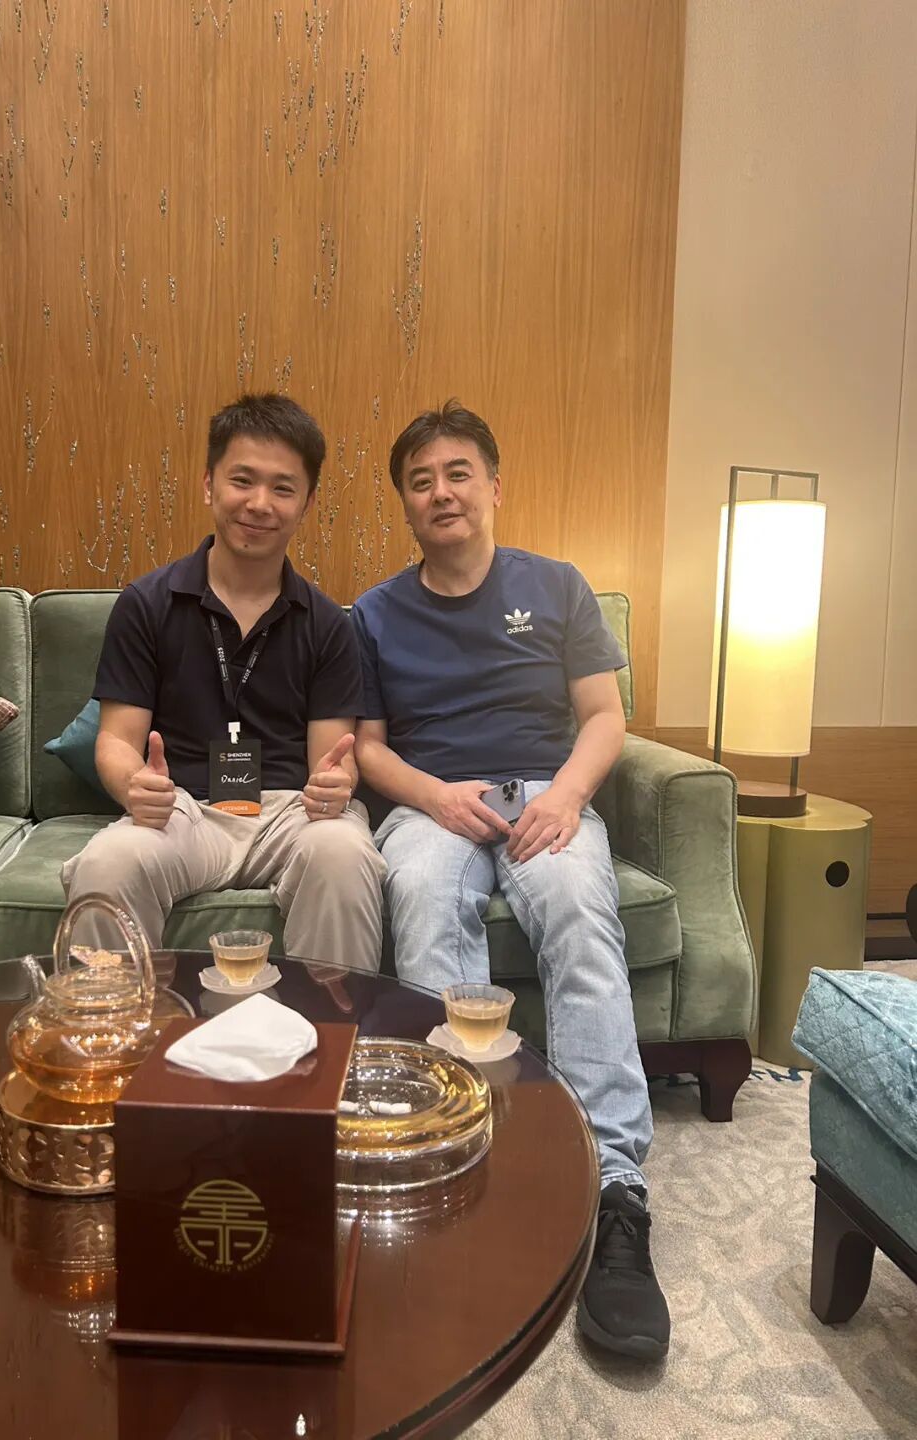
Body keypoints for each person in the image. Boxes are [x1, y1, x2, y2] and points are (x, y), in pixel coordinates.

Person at [351, 400, 670, 1359]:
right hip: (433, 801)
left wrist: (567, 797)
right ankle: (455, 1159)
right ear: (405, 503)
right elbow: (368, 748)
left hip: (543, 792)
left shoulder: (557, 585)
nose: (441, 492)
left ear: (494, 485)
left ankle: (616, 1192)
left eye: (458, 473)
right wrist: (433, 796)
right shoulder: (372, 613)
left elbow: (603, 716)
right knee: (421, 903)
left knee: (578, 912)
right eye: (420, 481)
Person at [61, 393, 386, 972]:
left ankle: (333, 1027)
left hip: (290, 813)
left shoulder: (327, 624)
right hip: (182, 811)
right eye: (242, 480)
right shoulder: (147, 604)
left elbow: (330, 762)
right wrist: (135, 786)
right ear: (209, 485)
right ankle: (111, 1027)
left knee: (343, 851)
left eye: (283, 488)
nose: (260, 503)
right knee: (108, 863)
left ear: (307, 503)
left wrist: (337, 784)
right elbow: (115, 739)